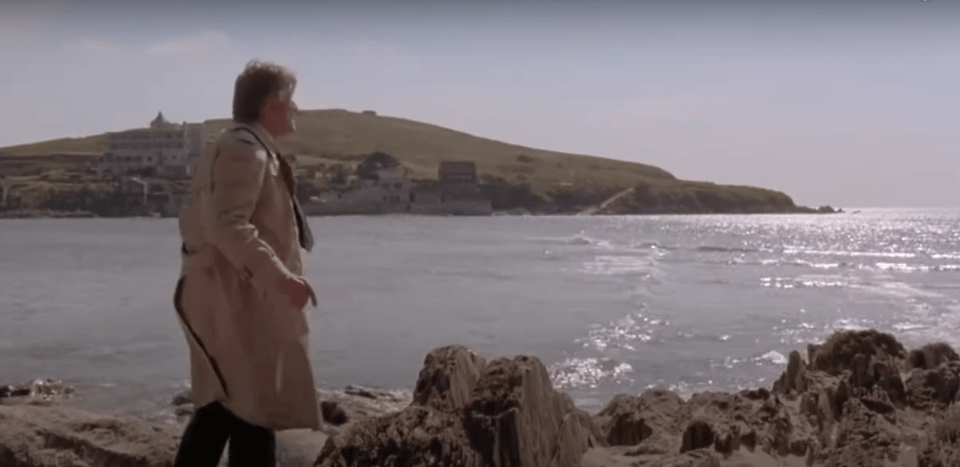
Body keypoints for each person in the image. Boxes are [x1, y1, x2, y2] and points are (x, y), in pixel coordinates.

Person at [172, 59, 320, 467]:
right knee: (248, 410)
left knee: (229, 408)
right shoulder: (246, 151)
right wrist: (283, 279)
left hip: (230, 298)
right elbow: (228, 226)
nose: (297, 111)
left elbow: (203, 227)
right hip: (235, 303)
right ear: (270, 104)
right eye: (291, 102)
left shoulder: (241, 148)